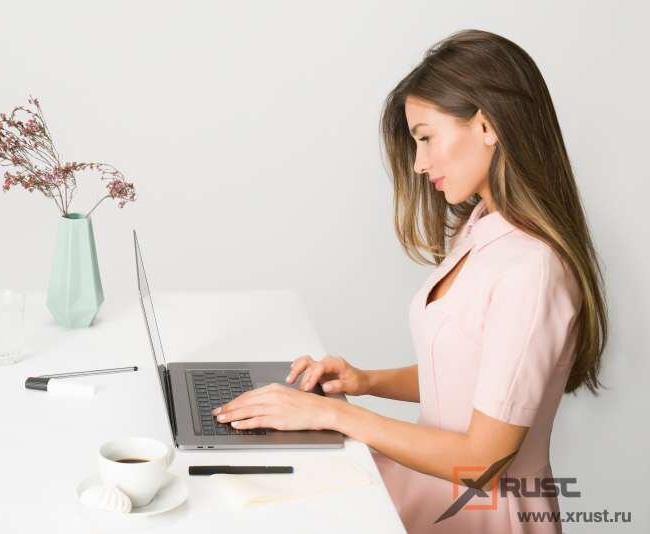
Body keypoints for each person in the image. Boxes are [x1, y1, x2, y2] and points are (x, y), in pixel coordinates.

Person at [211, 29, 608, 533]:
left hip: (483, 514)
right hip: (427, 487)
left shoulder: (532, 269)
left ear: (487, 125)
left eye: (425, 137)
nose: (419, 164)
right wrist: (364, 381)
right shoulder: (480, 228)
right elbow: (468, 373)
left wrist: (335, 416)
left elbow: (483, 461)